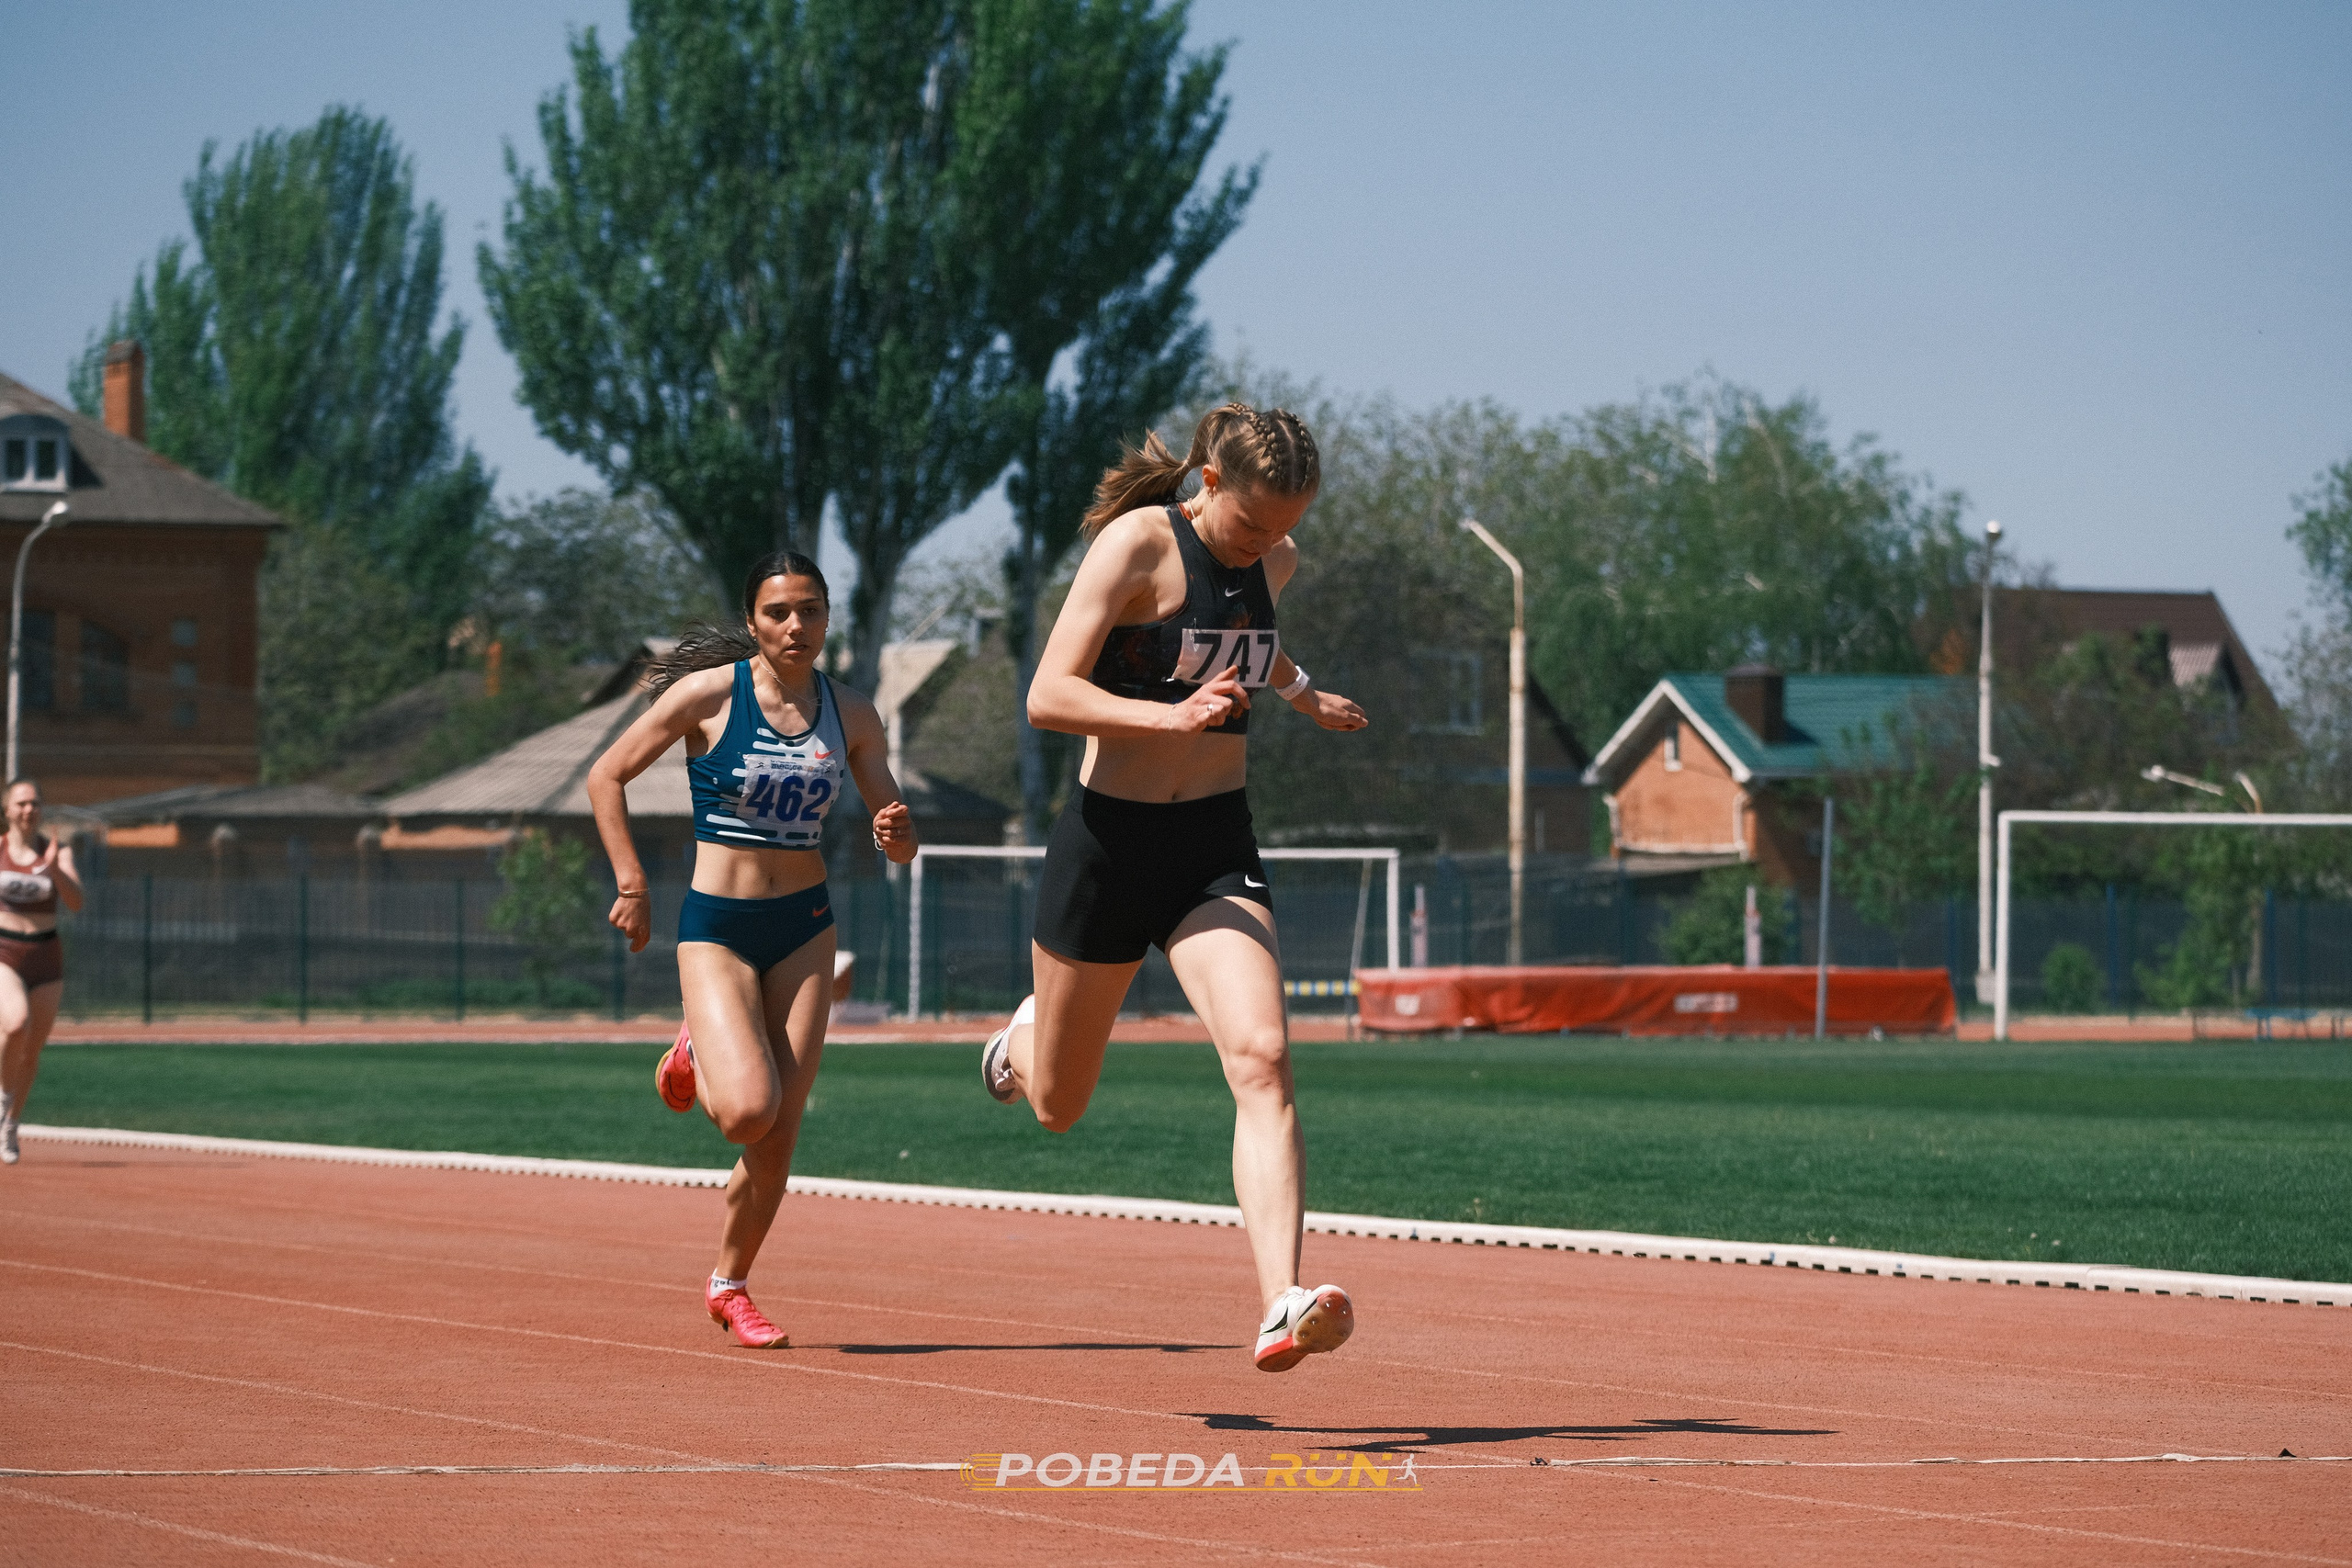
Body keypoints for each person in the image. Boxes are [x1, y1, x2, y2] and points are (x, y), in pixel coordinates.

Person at [981, 402, 1368, 1372]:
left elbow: (1246, 637)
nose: (1269, 545)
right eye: (1253, 524)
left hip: (1211, 846)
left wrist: (1300, 690)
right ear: (1206, 485)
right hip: (1108, 847)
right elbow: (1047, 695)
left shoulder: (1269, 561)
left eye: (1288, 527)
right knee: (1059, 1107)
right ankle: (1017, 1041)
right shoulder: (1134, 548)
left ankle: (1281, 1298)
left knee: (1263, 1057)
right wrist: (1172, 718)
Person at [589, 552, 916, 1348]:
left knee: (779, 1134)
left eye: (810, 610)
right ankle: (698, 1044)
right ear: (752, 622)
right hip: (719, 929)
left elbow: (898, 836)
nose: (795, 625)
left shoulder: (854, 714)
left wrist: (898, 832)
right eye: (778, 612)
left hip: (805, 928)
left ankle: (730, 1284)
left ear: (828, 617)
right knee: (745, 1113)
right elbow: (607, 775)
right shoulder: (707, 696)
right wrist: (634, 885)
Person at [0, 780, 82, 1166]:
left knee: (32, 1051)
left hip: (47, 956)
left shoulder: (57, 852)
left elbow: (77, 902)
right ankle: (2, 1101)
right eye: (21, 803)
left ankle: (11, 1126)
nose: (28, 809)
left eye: (34, 803)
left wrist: (54, 871)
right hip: (5, 953)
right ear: (7, 809)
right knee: (16, 1025)